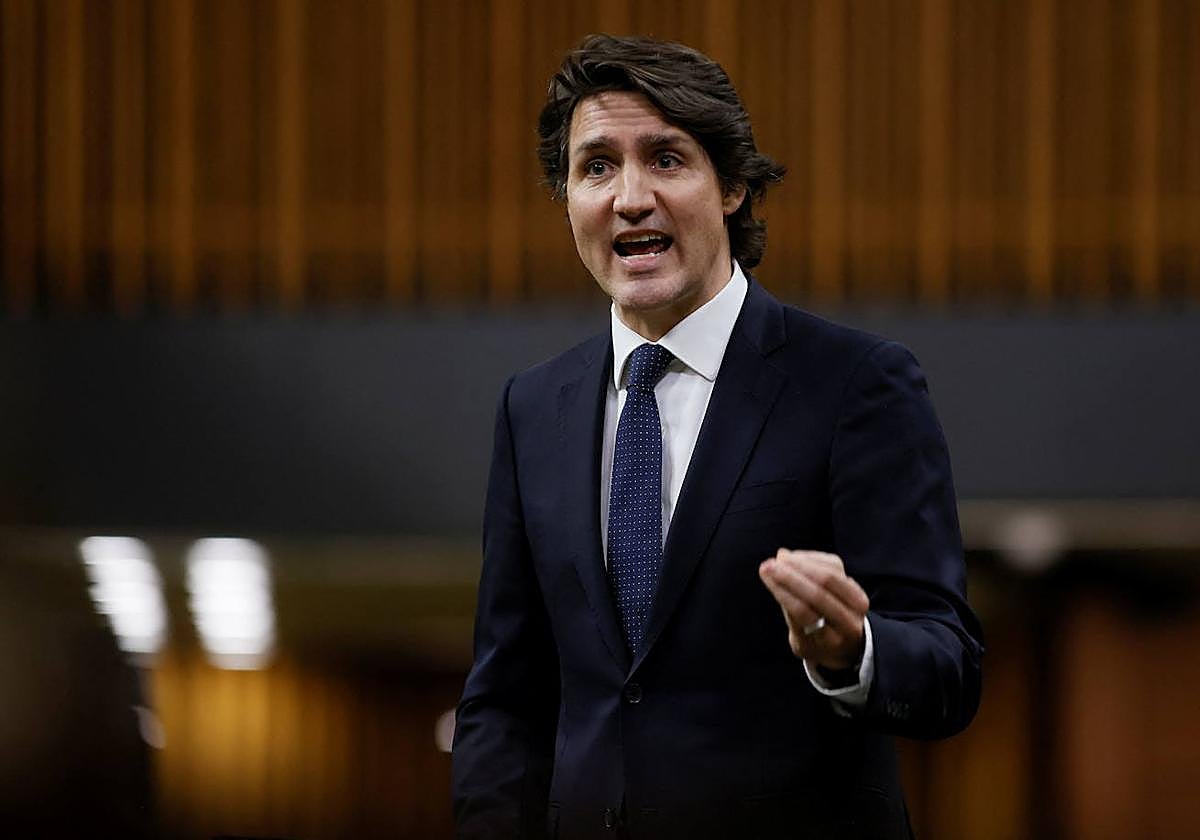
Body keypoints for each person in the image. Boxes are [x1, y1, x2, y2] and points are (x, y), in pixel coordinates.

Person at [452, 34, 983, 840]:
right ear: (567, 199)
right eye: (596, 166)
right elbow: (507, 697)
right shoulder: (533, 407)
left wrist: (854, 652)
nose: (630, 196)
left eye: (665, 158)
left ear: (733, 185)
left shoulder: (855, 383)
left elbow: (947, 666)